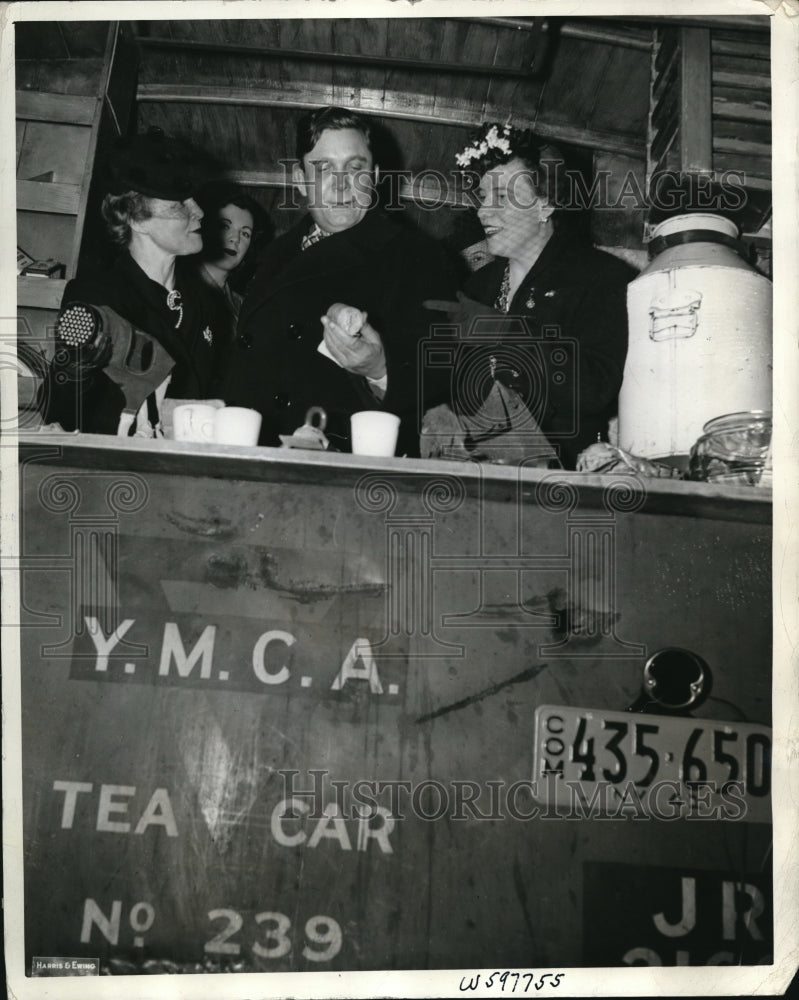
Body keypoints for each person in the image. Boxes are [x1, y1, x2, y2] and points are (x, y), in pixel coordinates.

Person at [223, 106, 458, 455]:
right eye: (323, 169)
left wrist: (379, 367)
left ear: (375, 176)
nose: (342, 183)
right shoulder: (274, 254)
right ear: (301, 180)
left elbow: (445, 371)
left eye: (355, 167)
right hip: (253, 457)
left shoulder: (417, 255)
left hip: (347, 472)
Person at [424, 123, 635, 469]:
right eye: (483, 197)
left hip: (558, 478)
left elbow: (595, 387)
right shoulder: (479, 287)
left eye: (502, 197)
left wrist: (504, 334)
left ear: (545, 205)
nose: (483, 211)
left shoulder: (603, 276)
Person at [38, 128, 226, 436]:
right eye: (180, 204)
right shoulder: (96, 295)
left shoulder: (205, 301)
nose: (200, 212)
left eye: (195, 200)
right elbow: (57, 408)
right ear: (136, 218)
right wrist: (78, 366)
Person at [195, 181, 270, 332]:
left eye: (245, 233)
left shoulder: (242, 306)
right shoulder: (181, 289)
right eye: (224, 226)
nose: (235, 239)